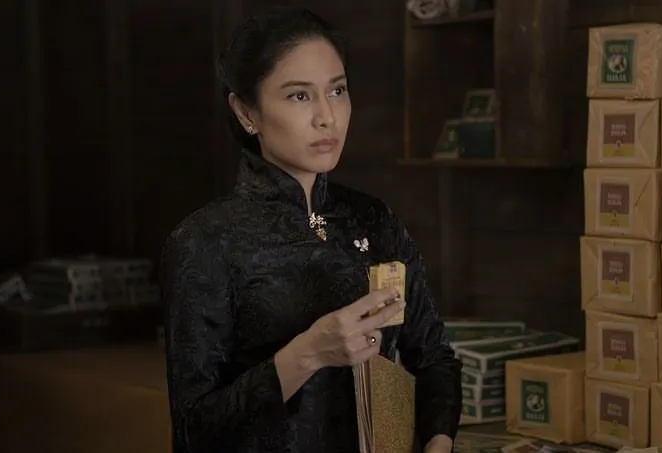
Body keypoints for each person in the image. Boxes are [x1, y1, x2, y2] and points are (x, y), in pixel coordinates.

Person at [160, 6, 462, 453]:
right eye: (299, 96)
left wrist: (439, 439)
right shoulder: (203, 242)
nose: (327, 116)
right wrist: (308, 354)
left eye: (337, 91)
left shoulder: (373, 219)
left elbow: (434, 358)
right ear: (246, 111)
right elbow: (193, 429)